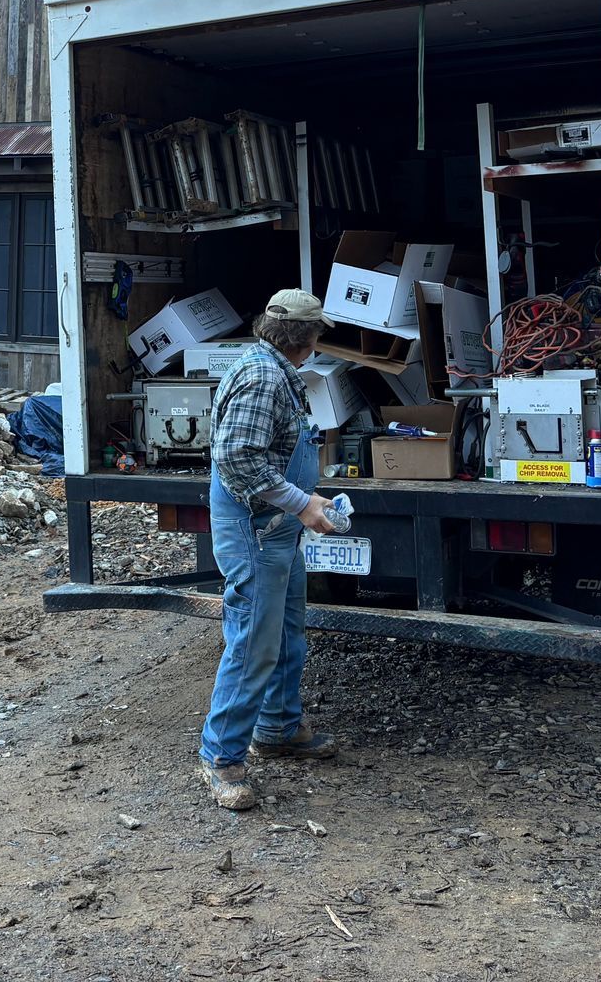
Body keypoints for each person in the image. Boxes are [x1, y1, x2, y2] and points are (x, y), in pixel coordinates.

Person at [198, 288, 344, 811]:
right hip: (256, 526)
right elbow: (237, 458)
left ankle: (279, 728)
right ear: (306, 338)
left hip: (276, 523)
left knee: (285, 628)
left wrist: (304, 499)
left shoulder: (272, 367)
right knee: (255, 639)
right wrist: (301, 503)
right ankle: (222, 758)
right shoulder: (263, 377)